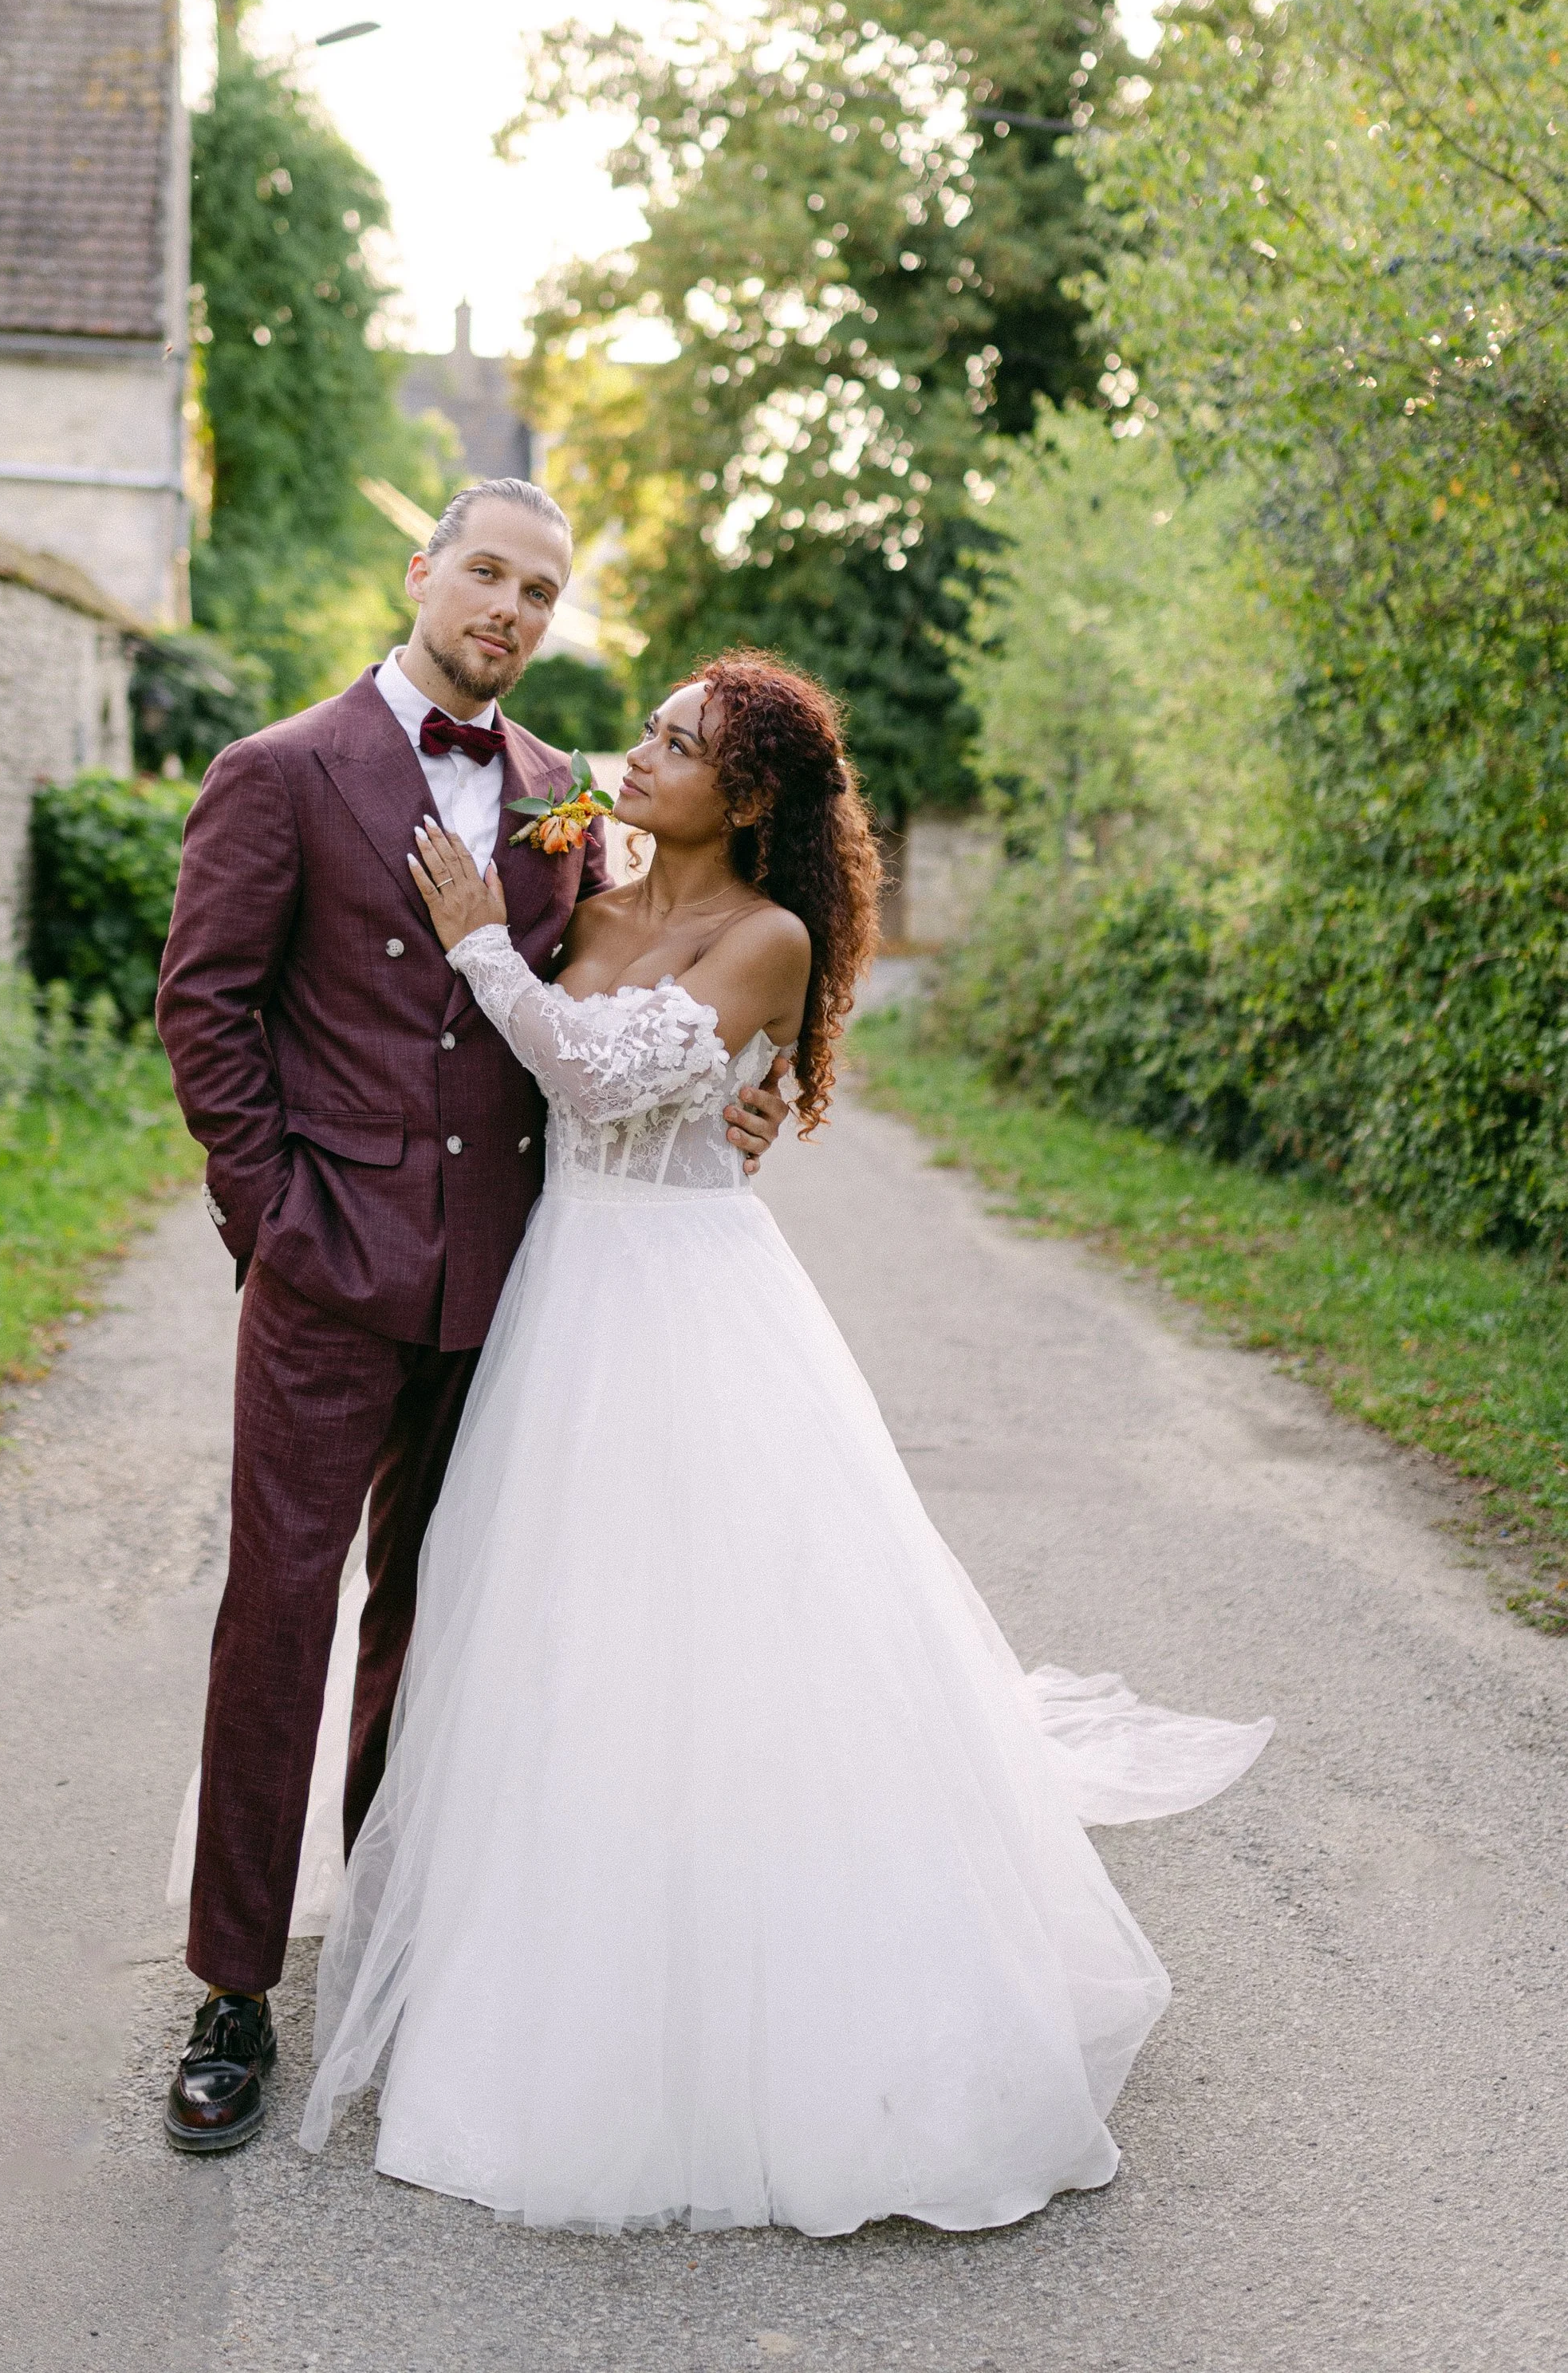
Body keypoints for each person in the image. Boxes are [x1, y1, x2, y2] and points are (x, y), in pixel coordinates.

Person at [297, 649, 1271, 2237]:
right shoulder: (582, 901)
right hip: (561, 1299)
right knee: (568, 1641)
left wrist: (480, 946)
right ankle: (553, 1960)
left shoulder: (769, 936)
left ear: (747, 796)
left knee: (732, 1645)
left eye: (679, 744)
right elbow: (526, 1081)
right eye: (651, 728)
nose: (640, 754)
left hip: (689, 1308)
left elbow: (590, 1069)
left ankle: (770, 1991)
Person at [152, 482, 791, 2154]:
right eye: (486, 573)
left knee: (438, 1626)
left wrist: (758, 1088)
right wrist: (273, 1223)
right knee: (280, 1615)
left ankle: (392, 1937)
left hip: (512, 1280)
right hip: (326, 1276)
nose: (509, 607)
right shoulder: (280, 771)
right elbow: (205, 1011)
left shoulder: (568, 798)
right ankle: (233, 1987)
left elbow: (665, 976)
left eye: (540, 589)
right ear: (422, 572)